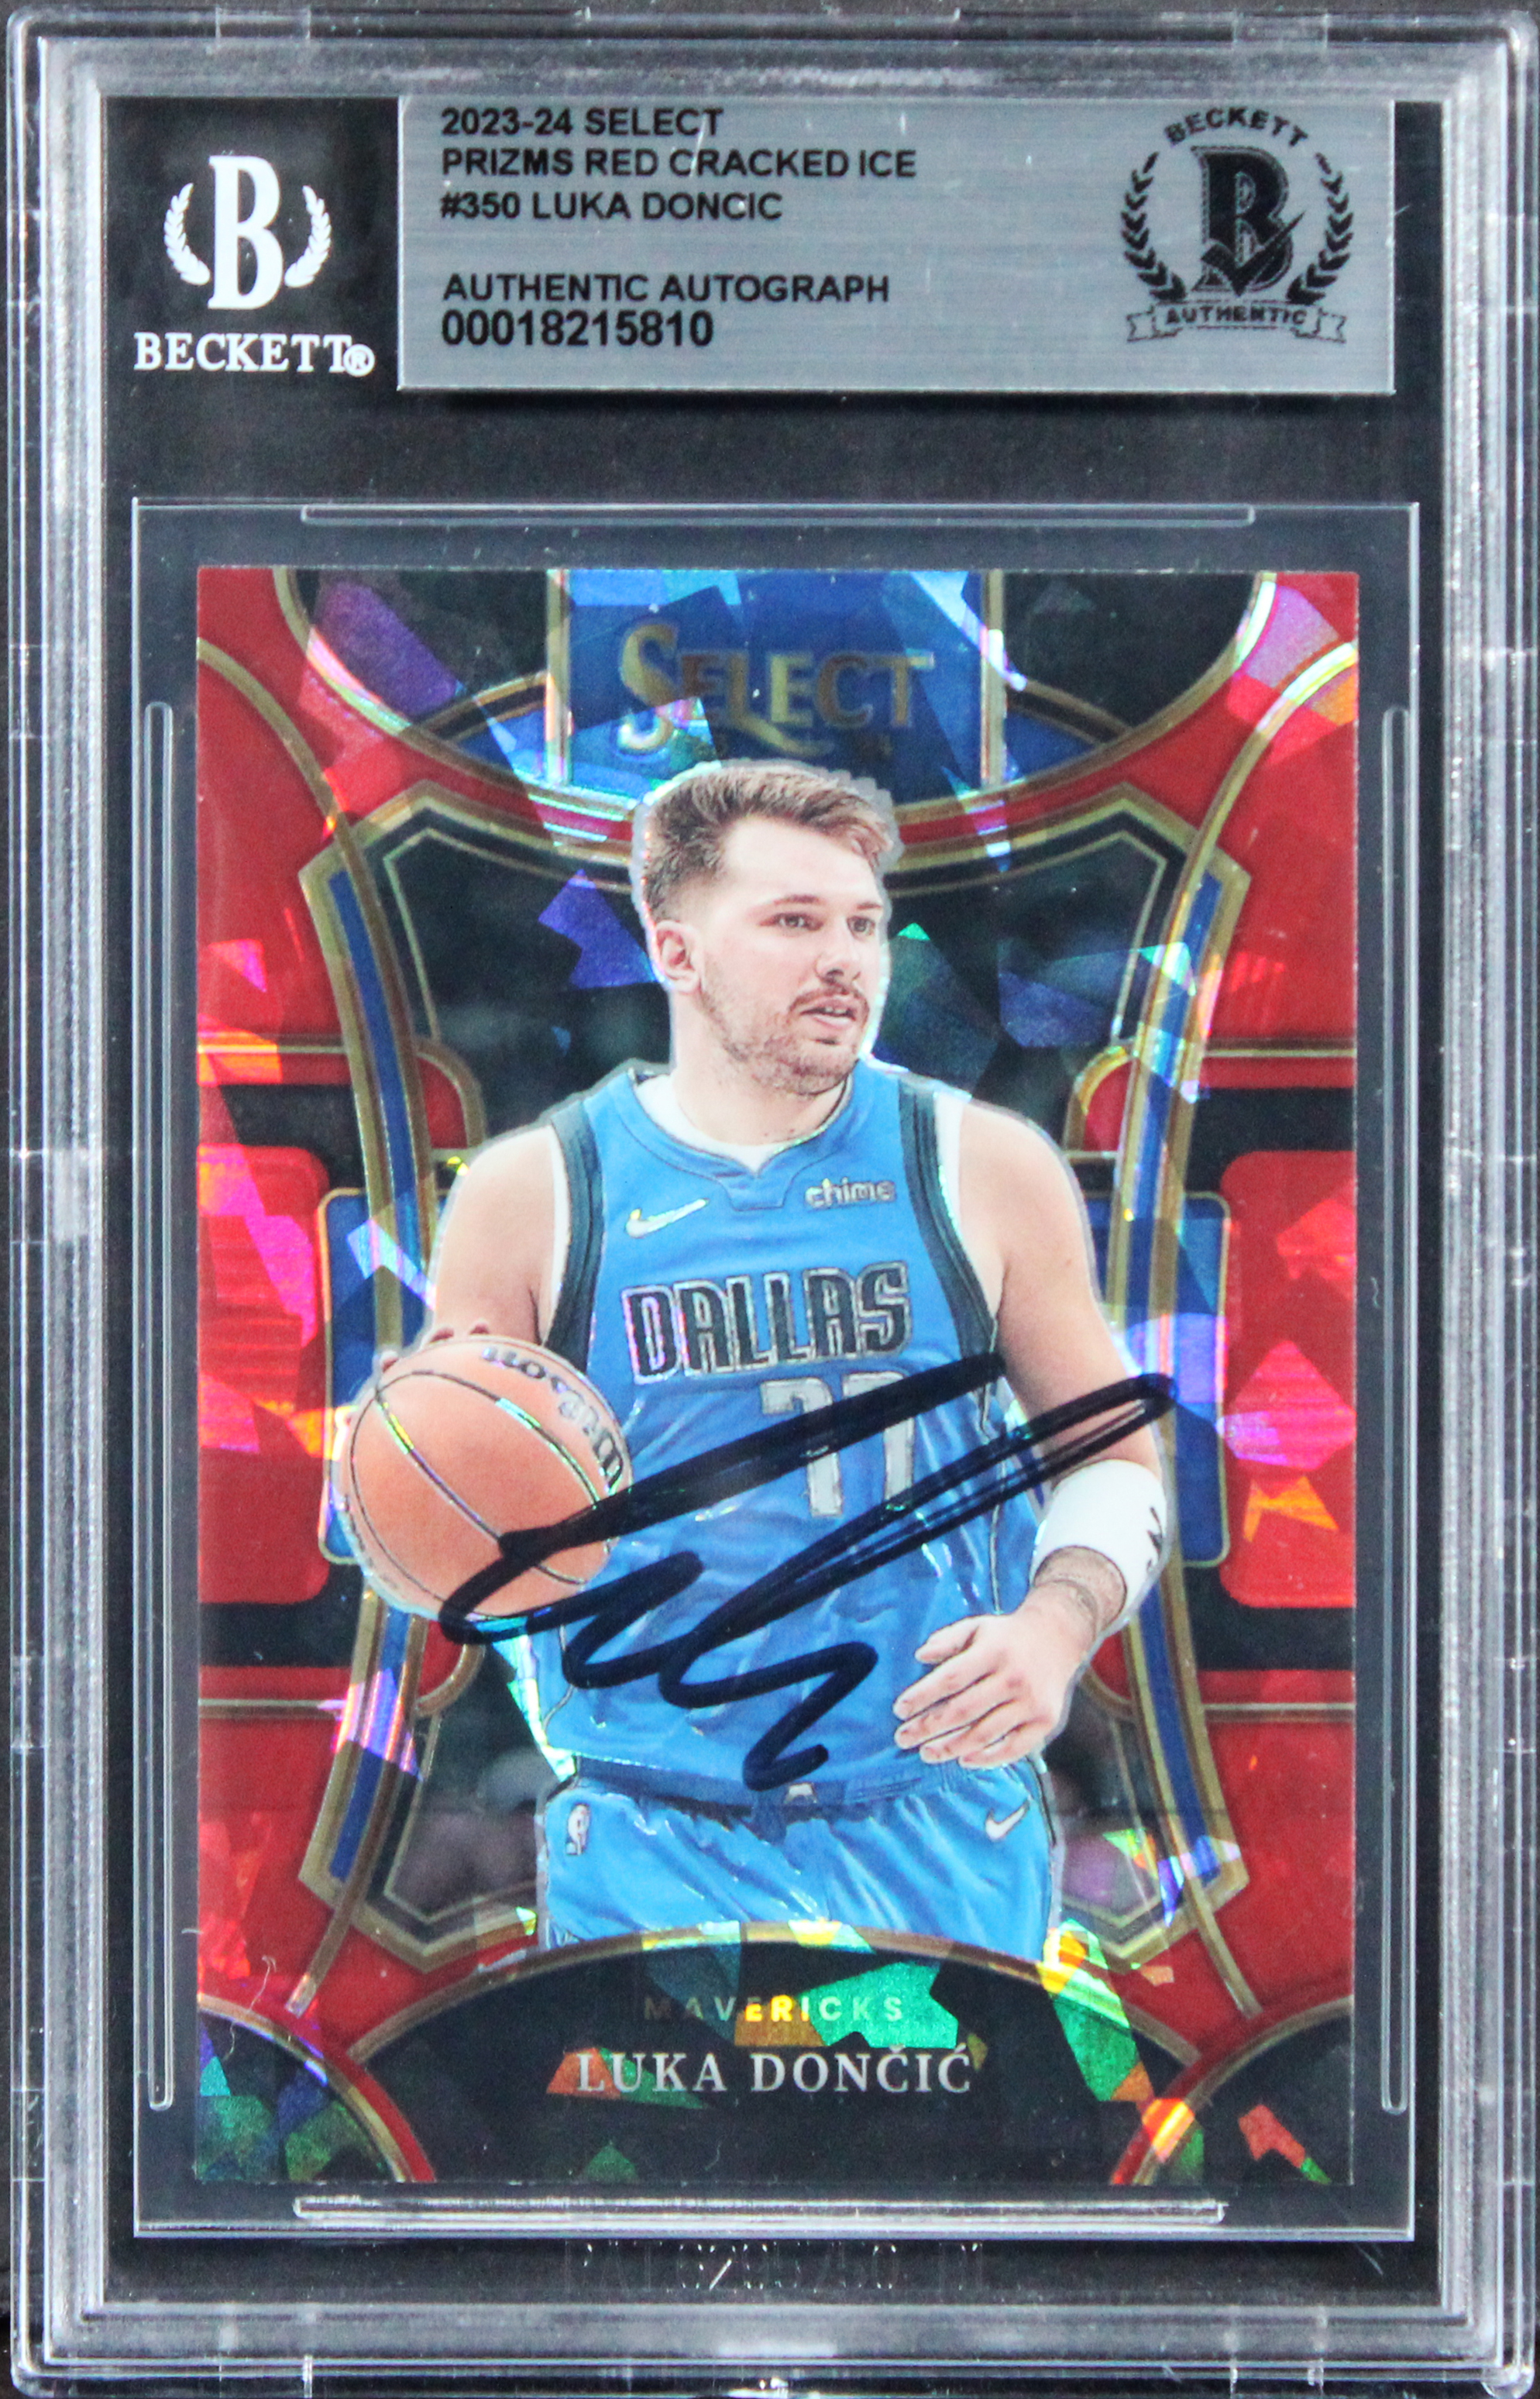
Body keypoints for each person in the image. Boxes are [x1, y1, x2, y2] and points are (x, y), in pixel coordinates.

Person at [424, 761, 1167, 1961]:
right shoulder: (533, 1194)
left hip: (932, 1813)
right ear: (675, 951)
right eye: (795, 923)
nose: (846, 960)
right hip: (649, 1828)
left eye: (864, 926)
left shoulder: (982, 1166)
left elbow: (1115, 1459)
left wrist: (1055, 1625)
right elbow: (448, 1516)